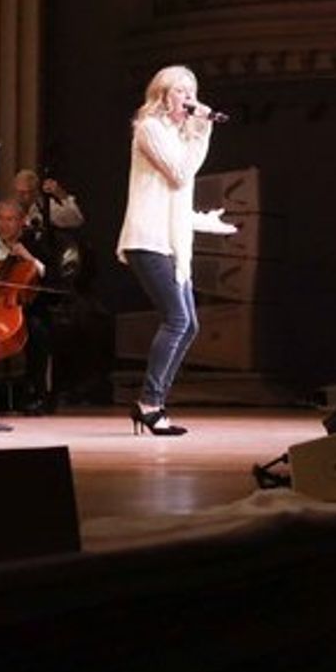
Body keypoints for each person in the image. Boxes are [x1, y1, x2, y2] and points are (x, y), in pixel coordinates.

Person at [116, 65, 234, 436]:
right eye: (181, 91)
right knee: (178, 320)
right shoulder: (149, 130)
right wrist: (202, 130)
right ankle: (149, 404)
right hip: (147, 241)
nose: (189, 98)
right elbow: (180, 176)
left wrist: (205, 222)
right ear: (163, 94)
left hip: (170, 243)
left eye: (191, 91)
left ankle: (154, 403)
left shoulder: (175, 136)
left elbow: (174, 200)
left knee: (190, 323)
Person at [0, 200, 55, 414]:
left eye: (10, 219)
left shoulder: (37, 246)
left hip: (26, 309)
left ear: (22, 222)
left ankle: (37, 393)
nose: (5, 225)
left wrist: (31, 260)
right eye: (1, 219)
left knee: (37, 330)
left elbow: (53, 279)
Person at [0, 169, 85, 240]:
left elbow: (75, 220)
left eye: (27, 192)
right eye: (19, 192)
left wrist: (61, 195)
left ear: (35, 192)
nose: (23, 197)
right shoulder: (7, 208)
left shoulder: (44, 207)